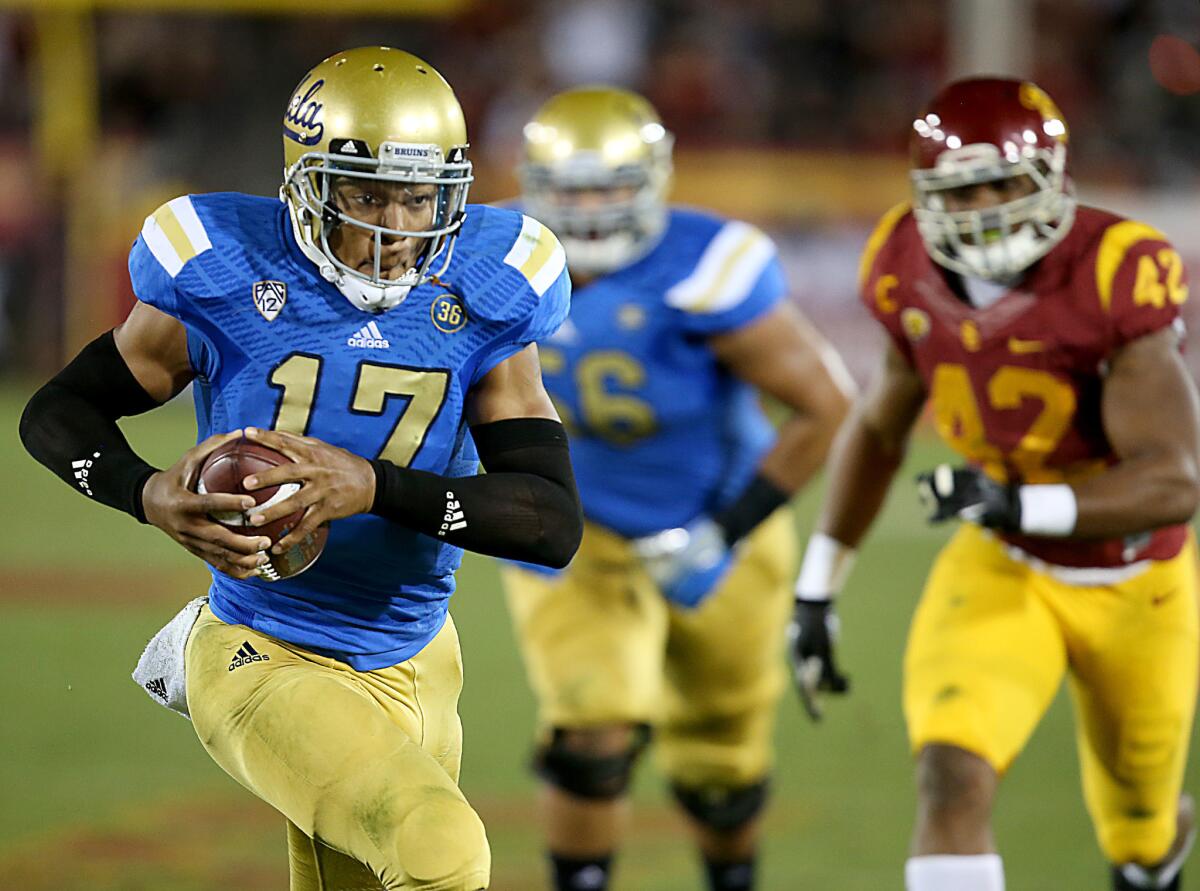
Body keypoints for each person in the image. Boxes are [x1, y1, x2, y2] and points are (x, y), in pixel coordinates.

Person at [20, 47, 583, 891]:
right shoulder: (228, 268)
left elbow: (550, 519)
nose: (396, 225)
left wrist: (375, 487)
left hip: (418, 654)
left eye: (417, 195)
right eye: (366, 194)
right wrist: (145, 492)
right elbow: (57, 411)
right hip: (268, 645)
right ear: (308, 184)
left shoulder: (487, 288)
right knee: (441, 851)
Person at [790, 77, 1199, 891]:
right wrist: (817, 585)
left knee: (1141, 833)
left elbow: (1173, 480)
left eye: (1004, 184)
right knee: (951, 770)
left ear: (1051, 178)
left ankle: (1155, 847)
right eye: (961, 188)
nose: (981, 207)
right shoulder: (905, 262)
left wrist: (1018, 501)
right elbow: (876, 427)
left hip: (1134, 579)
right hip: (1004, 562)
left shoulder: (1116, 268)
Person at [501, 86, 853, 891]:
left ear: (652, 181)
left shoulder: (705, 264)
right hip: (572, 531)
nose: (588, 209)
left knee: (722, 764)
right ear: (534, 184)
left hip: (719, 526)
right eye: (571, 189)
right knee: (587, 733)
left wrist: (722, 532)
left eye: (608, 187)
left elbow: (825, 407)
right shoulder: (496, 261)